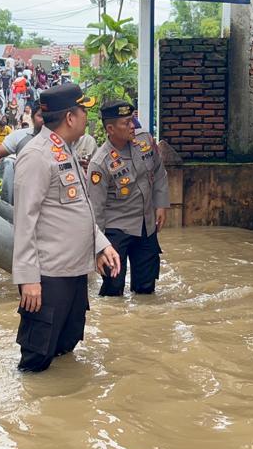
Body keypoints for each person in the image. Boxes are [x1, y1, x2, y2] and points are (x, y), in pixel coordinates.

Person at [12, 83, 121, 373]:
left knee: (65, 349)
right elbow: (24, 222)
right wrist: (28, 279)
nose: (87, 115)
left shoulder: (66, 151)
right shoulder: (37, 155)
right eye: (84, 109)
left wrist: (100, 245)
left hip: (74, 274)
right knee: (37, 360)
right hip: (48, 278)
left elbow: (78, 209)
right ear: (70, 118)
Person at [86, 100, 170, 296]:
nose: (133, 126)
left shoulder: (145, 141)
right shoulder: (100, 163)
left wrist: (161, 205)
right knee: (113, 290)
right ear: (110, 129)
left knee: (146, 288)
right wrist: (99, 248)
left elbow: (159, 172)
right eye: (126, 123)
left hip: (146, 225)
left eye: (132, 120)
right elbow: (95, 210)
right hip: (116, 229)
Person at [0, 105, 43, 177]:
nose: (45, 119)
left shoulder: (61, 139)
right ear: (32, 118)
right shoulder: (19, 135)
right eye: (41, 116)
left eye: (49, 115)